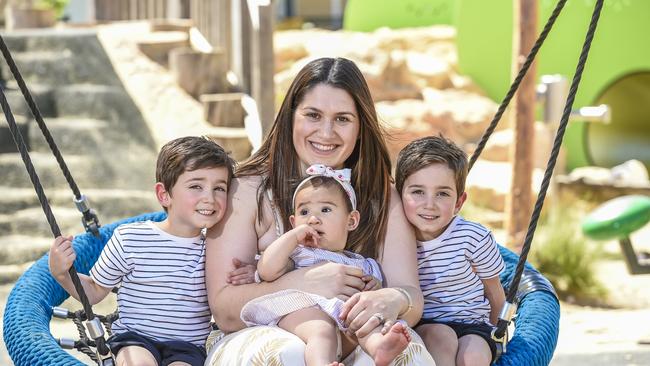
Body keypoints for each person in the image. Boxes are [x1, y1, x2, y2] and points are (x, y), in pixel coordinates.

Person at [205, 57, 434, 365]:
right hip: (266, 331)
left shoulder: (381, 197)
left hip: (356, 333)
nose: (326, 132)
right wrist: (302, 282)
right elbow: (224, 309)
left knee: (406, 354)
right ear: (291, 118)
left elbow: (411, 294)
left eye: (342, 119)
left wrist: (394, 298)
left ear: (360, 128)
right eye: (313, 115)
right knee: (289, 353)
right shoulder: (248, 191)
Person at [49, 136, 235, 366]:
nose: (210, 198)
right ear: (164, 194)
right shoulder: (131, 238)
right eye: (196, 186)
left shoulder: (218, 248)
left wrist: (247, 274)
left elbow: (232, 293)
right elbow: (95, 291)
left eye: (219, 188)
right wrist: (63, 274)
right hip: (135, 340)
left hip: (187, 348)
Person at [237, 165, 411, 366]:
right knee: (322, 330)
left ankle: (378, 347)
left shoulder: (362, 263)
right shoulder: (297, 253)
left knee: (369, 322)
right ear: (293, 222)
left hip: (345, 317)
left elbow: (377, 294)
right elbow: (266, 271)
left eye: (326, 210)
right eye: (304, 211)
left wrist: (374, 288)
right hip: (303, 311)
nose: (313, 219)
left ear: (351, 220)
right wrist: (292, 237)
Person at [395, 135, 506, 366]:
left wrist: (499, 331)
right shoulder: (395, 239)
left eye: (442, 193)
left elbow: (495, 292)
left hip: (473, 324)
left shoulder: (474, 237)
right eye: (418, 192)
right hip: (426, 324)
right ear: (399, 194)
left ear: (459, 202)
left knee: (473, 357)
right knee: (441, 338)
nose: (429, 204)